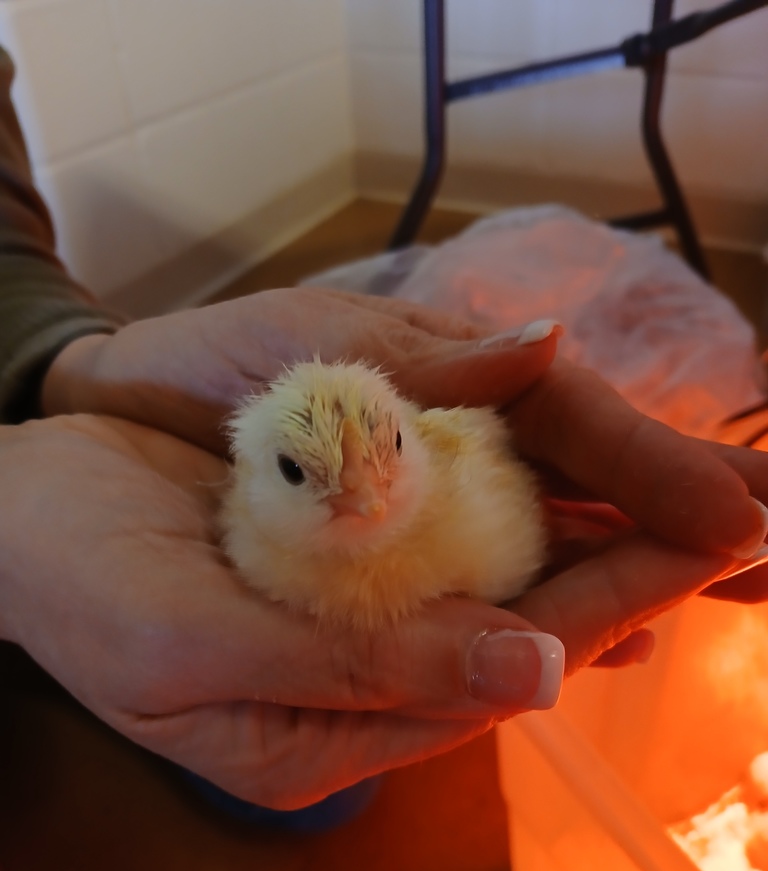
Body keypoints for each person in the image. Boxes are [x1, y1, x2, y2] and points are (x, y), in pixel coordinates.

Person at [1, 44, 768, 811]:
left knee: (315, 769)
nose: (368, 496)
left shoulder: (465, 500)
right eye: (299, 473)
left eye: (389, 451)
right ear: (255, 474)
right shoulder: (252, 534)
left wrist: (63, 362)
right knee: (282, 752)